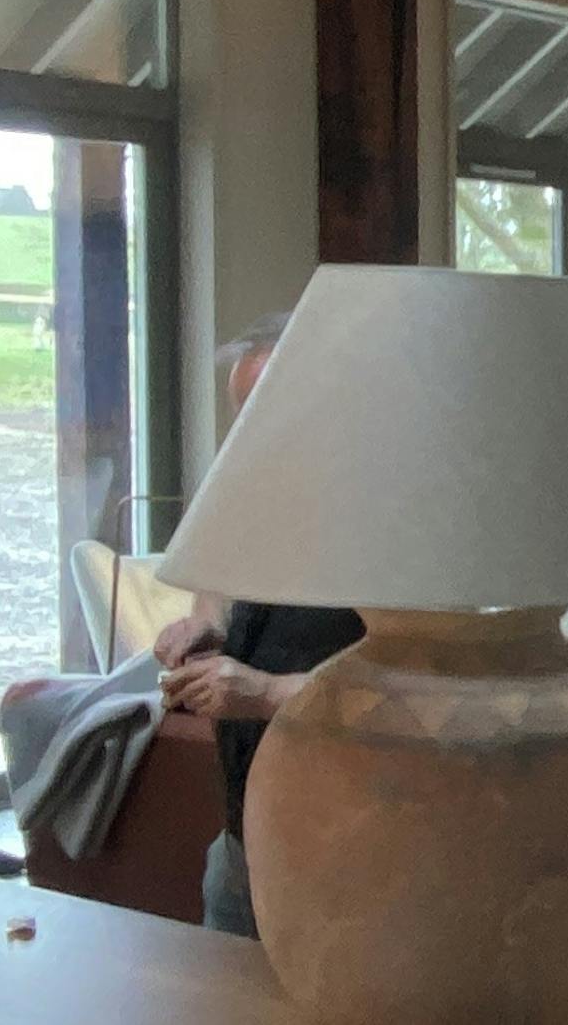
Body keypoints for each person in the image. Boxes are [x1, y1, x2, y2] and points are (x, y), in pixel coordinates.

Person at [157, 313, 364, 939]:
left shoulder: (385, 515)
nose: (246, 437)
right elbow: (216, 598)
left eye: (263, 411)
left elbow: (414, 682)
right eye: (239, 414)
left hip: (352, 855)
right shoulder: (255, 495)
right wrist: (204, 631)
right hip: (243, 841)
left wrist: (269, 693)